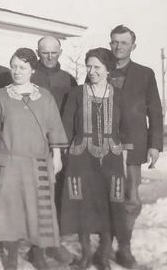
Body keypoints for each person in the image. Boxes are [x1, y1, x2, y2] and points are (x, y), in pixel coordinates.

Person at [0, 48, 68, 270]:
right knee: (11, 213)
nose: (17, 71)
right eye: (13, 66)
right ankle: (11, 258)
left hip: (38, 164)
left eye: (22, 67)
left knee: (41, 212)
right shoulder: (0, 96)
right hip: (10, 163)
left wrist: (57, 156)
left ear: (33, 69)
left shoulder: (45, 96)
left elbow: (54, 128)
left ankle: (39, 256)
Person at [61, 48, 133, 270]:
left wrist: (124, 161)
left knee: (111, 205)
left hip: (112, 159)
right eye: (89, 66)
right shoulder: (76, 94)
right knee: (83, 206)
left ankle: (103, 255)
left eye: (97, 67)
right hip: (81, 159)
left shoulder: (119, 95)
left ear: (108, 70)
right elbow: (65, 128)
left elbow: (126, 130)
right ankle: (85, 254)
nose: (92, 71)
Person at [108, 25, 163, 268]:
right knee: (105, 196)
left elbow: (155, 111)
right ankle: (103, 246)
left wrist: (155, 145)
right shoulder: (99, 69)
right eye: (114, 42)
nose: (118, 47)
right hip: (104, 147)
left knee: (131, 198)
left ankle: (125, 247)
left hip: (133, 146)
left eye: (123, 42)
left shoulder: (145, 73)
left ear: (133, 46)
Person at [31, 36, 77, 264]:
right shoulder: (29, 76)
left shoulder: (69, 79)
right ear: (38, 52)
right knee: (39, 196)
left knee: (58, 197)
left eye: (53, 52)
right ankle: (37, 248)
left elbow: (76, 112)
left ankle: (54, 244)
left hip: (61, 145)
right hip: (34, 144)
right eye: (44, 52)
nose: (49, 56)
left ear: (60, 52)